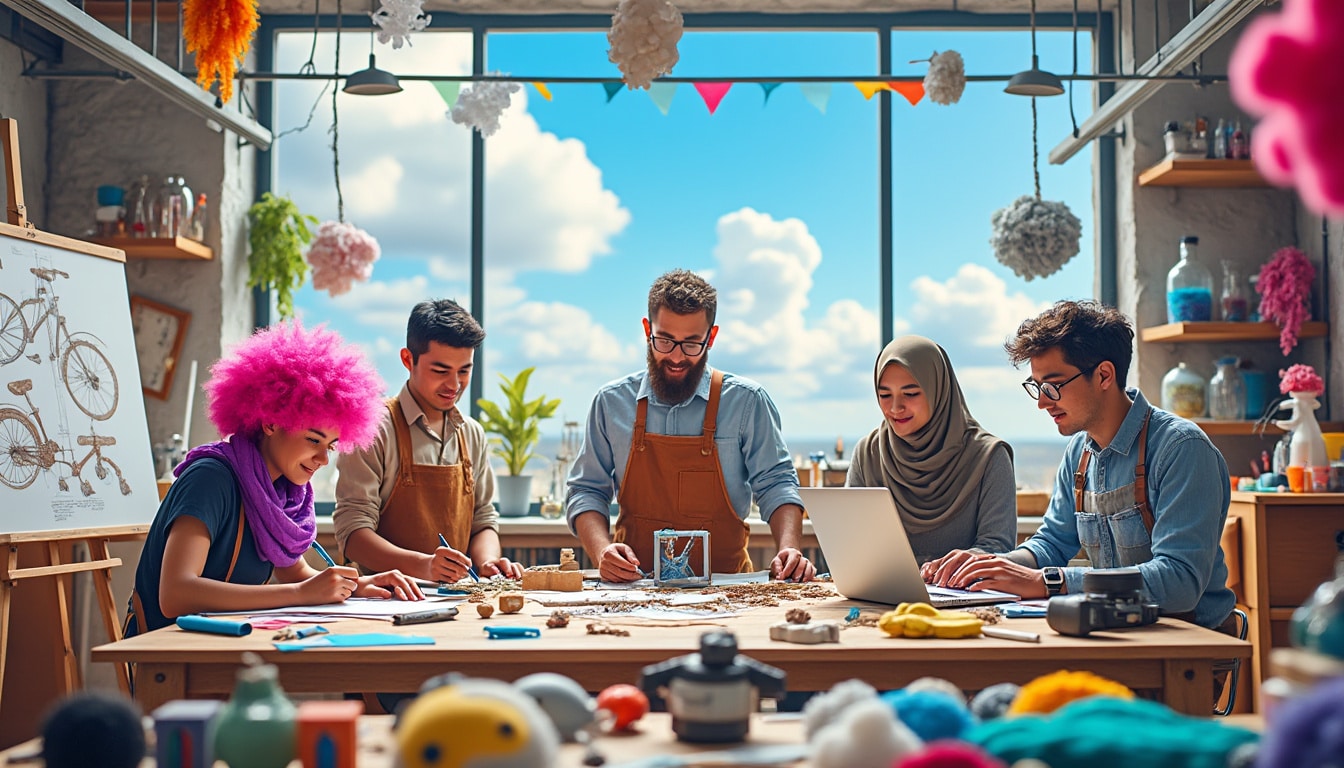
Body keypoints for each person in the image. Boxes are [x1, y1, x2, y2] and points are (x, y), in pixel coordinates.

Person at [922, 300, 1235, 630]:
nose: (1042, 402)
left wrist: (1050, 581)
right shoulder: (1078, 453)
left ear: (1103, 375)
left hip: (1190, 646)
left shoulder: (1181, 448)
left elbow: (1179, 583)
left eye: (1053, 386)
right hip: (1118, 636)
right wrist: (992, 565)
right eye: (1037, 387)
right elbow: (1053, 543)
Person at [125, 323, 422, 637]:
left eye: (331, 446)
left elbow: (297, 575)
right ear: (270, 422)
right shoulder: (210, 478)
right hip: (167, 655)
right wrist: (300, 595)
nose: (323, 459)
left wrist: (358, 585)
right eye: (313, 440)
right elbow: (175, 595)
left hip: (222, 651)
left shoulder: (282, 491)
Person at [566, 269, 816, 583]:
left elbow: (777, 484)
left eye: (691, 344)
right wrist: (603, 551)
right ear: (647, 330)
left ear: (711, 337)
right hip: (632, 588)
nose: (676, 357)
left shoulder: (747, 402)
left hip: (728, 591)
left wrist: (789, 549)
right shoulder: (610, 403)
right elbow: (586, 491)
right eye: (665, 341)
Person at [334, 299, 523, 583]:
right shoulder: (374, 429)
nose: (455, 385)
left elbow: (483, 520)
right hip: (386, 601)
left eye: (464, 371)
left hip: (457, 597)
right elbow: (353, 534)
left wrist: (489, 562)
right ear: (408, 360)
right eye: (440, 371)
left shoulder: (472, 433)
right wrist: (423, 566)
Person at [847, 336, 1016, 563]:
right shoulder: (868, 454)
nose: (895, 408)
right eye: (885, 395)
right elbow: (851, 544)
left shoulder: (989, 457)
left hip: (967, 595)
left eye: (911, 393)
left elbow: (998, 549)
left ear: (938, 390)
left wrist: (950, 568)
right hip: (879, 597)